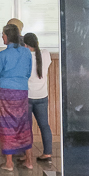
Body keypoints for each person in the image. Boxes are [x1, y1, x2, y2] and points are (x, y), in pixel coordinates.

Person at [0, 23, 33, 171]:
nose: (2, 37)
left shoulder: (2, 55)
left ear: (8, 36)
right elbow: (28, 72)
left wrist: (3, 80)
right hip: (22, 91)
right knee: (23, 123)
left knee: (6, 124)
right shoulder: (26, 53)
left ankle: (9, 163)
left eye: (3, 34)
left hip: (5, 92)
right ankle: (29, 160)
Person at [23, 32, 52, 162]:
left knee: (27, 127)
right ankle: (48, 153)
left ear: (25, 45)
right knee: (44, 125)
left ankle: (27, 155)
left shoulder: (24, 57)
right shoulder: (45, 54)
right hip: (42, 96)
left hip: (28, 96)